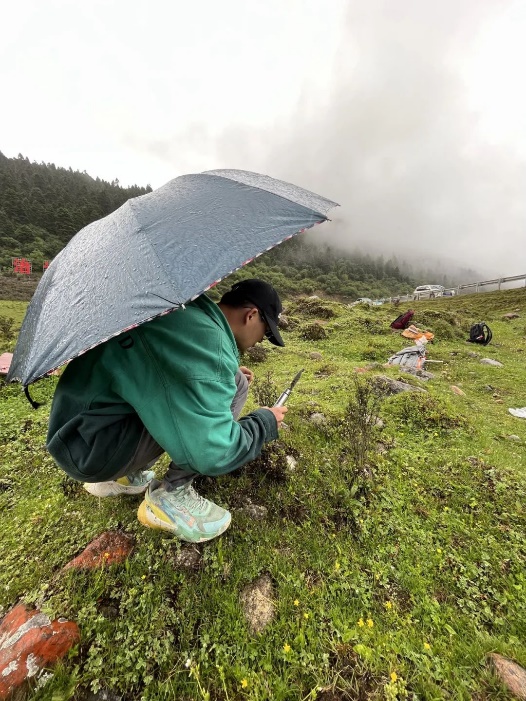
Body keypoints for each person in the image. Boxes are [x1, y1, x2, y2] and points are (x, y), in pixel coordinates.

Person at [46, 279, 288, 543]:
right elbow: (212, 451)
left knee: (234, 380)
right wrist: (264, 423)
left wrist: (217, 375)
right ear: (251, 315)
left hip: (77, 435)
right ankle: (173, 494)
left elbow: (156, 362)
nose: (260, 341)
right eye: (265, 332)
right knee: (230, 392)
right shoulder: (210, 341)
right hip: (95, 453)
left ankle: (125, 476)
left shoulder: (175, 308)